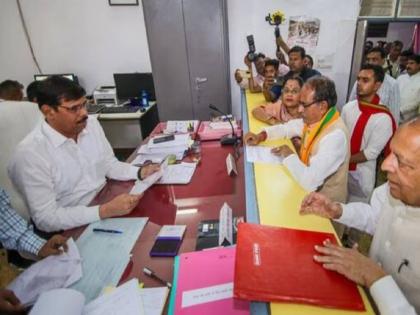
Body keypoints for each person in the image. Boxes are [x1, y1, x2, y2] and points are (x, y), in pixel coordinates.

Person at [8, 76, 160, 233]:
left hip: (105, 200)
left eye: (84, 105)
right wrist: (104, 211)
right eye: (74, 108)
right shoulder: (30, 154)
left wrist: (139, 172)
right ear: (48, 112)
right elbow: (46, 219)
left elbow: (108, 164)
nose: (84, 113)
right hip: (70, 226)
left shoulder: (91, 125)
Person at [300, 118, 420, 314]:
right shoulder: (396, 187)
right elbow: (375, 216)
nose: (385, 166)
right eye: (391, 154)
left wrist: (374, 278)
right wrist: (338, 210)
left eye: (402, 162)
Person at [244, 76, 349, 202]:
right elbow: (287, 128)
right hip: (307, 194)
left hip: (326, 210)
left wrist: (288, 154)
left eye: (304, 105)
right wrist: (260, 136)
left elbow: (309, 181)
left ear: (322, 106)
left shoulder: (334, 137)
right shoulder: (316, 119)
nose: (300, 109)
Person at [341, 64, 396, 202]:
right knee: (337, 211)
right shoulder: (349, 108)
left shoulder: (383, 117)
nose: (359, 84)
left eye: (365, 80)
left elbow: (371, 153)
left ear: (377, 85)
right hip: (340, 171)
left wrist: (342, 160)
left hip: (361, 176)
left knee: (356, 217)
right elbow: (340, 137)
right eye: (358, 79)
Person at [349, 47, 401, 124]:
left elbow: (394, 114)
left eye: (374, 59)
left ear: (383, 60)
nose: (370, 62)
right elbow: (351, 102)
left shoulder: (392, 84)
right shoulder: (359, 80)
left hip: (380, 125)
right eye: (368, 59)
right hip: (357, 122)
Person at [397, 54, 420, 123]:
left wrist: (401, 110)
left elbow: (417, 102)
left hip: (409, 120)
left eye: (411, 63)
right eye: (407, 63)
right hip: (393, 114)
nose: (408, 66)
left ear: (419, 65)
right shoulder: (400, 78)